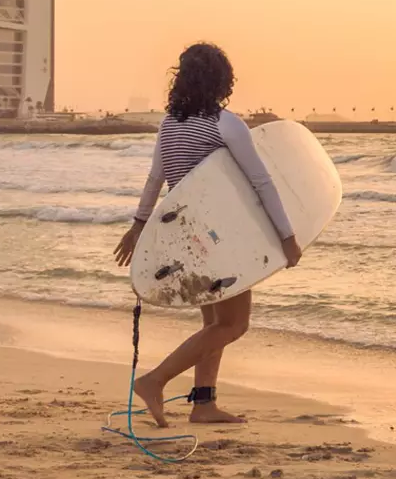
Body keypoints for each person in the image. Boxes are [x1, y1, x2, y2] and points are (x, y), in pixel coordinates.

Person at [113, 44, 302, 425]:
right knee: (233, 325)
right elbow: (261, 182)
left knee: (213, 325)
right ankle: (155, 381)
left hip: (184, 236)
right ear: (222, 80)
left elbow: (157, 180)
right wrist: (286, 236)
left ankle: (204, 403)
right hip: (221, 236)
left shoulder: (169, 124)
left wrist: (138, 226)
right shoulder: (225, 123)